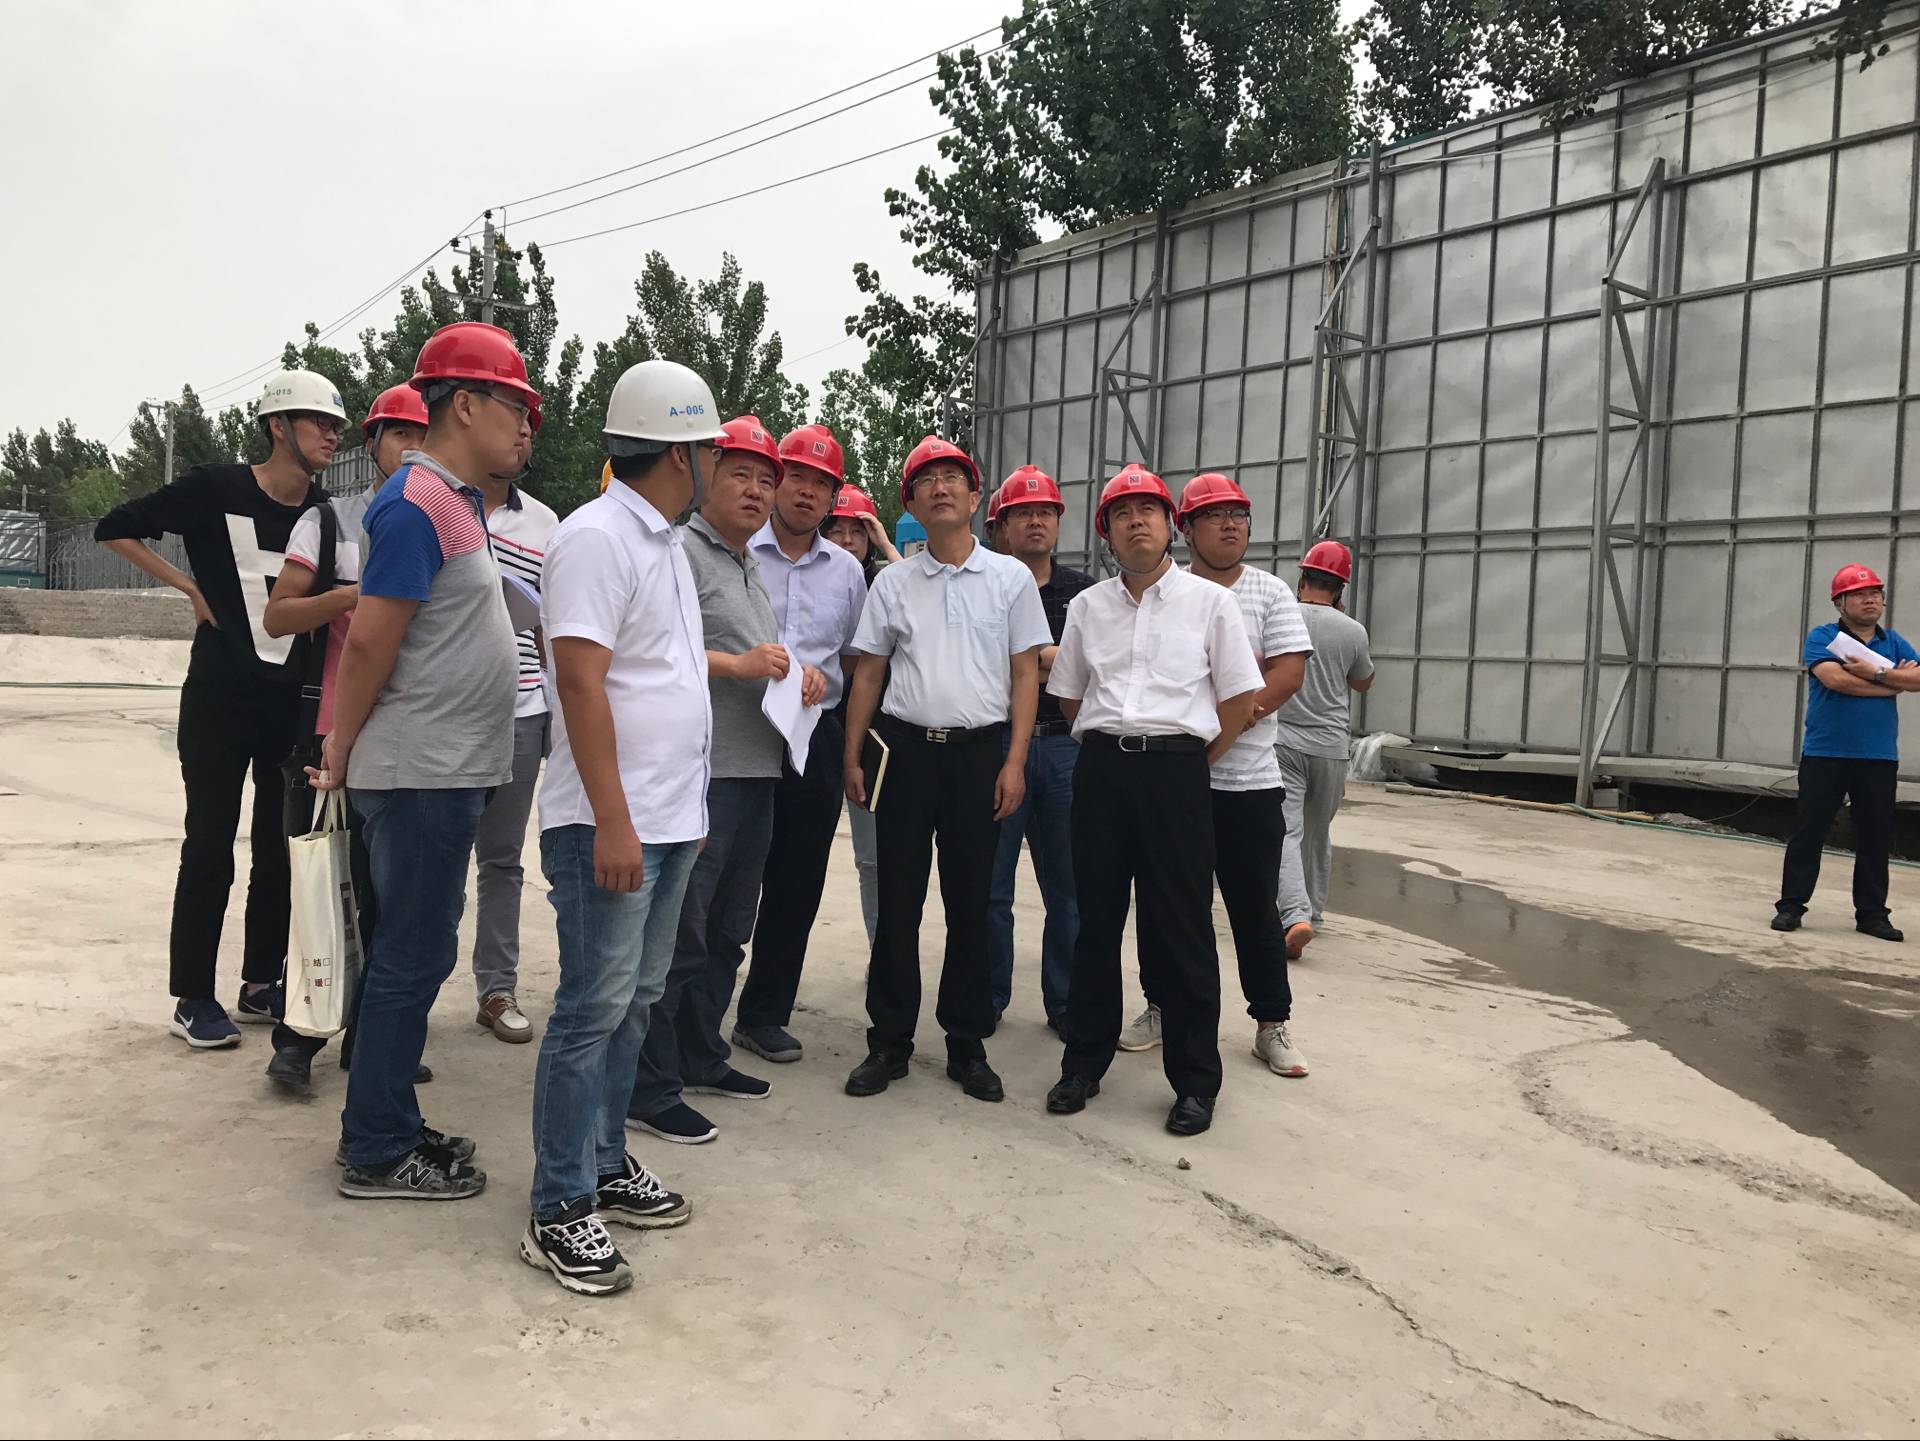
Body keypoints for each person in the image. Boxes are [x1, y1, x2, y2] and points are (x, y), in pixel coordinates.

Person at [312, 321, 535, 1202]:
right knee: (409, 956)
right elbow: (371, 641)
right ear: (466, 404)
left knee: (415, 951)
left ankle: (390, 1121)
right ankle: (375, 1145)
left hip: (445, 770)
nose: (525, 425)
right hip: (418, 773)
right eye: (514, 406)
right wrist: (339, 743)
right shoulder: (414, 502)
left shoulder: (451, 500)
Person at [521, 359, 725, 1296]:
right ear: (681, 453)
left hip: (669, 818)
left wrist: (679, 812)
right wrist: (612, 820)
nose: (716, 463)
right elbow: (579, 680)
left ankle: (604, 1160)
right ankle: (559, 1202)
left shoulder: (664, 543)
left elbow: (665, 679)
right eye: (711, 449)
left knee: (635, 998)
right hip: (612, 822)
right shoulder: (597, 538)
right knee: (590, 1008)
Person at [94, 368, 342, 1049]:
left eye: (338, 426)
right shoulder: (215, 488)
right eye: (319, 422)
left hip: (290, 703)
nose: (331, 435)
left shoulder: (325, 514)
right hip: (218, 700)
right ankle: (193, 996)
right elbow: (114, 527)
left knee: (279, 849)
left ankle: (260, 981)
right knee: (209, 842)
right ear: (278, 426)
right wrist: (189, 587)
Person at [1043, 465, 1262, 1137]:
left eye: (1149, 510)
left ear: (1171, 525)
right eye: (1121, 512)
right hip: (1103, 772)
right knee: (1094, 923)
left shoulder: (1210, 604)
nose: (1136, 520)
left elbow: (1239, 699)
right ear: (1106, 533)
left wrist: (1191, 761)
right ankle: (1083, 1063)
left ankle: (1195, 1081)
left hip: (1177, 774)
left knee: (1182, 929)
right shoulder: (1088, 608)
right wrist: (1117, 743)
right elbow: (1071, 695)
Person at [626, 417, 828, 1143]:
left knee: (727, 931)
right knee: (678, 937)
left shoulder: (746, 566)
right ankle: (648, 1086)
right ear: (705, 474)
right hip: (702, 775)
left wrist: (798, 674)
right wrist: (738, 665)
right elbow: (649, 647)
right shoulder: (679, 552)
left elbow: (751, 653)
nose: (756, 490)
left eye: (766, 479)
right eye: (740, 473)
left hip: (757, 770)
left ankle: (701, 1055)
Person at [841, 436, 1051, 1103]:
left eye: (952, 478)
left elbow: (1026, 674)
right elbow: (868, 673)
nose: (940, 488)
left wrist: (1014, 760)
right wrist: (852, 754)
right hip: (906, 755)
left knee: (971, 901)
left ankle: (967, 1041)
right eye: (925, 480)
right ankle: (889, 1040)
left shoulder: (1010, 579)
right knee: (898, 900)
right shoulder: (893, 582)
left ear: (974, 495)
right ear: (910, 502)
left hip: (979, 756)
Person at [259, 383, 429, 1093]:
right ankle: (296, 1041)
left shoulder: (446, 523)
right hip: (329, 736)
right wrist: (357, 596)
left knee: (392, 904)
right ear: (375, 442)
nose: (414, 449)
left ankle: (372, 1042)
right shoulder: (331, 524)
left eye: (425, 436)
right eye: (402, 435)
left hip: (407, 744)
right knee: (322, 892)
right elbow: (278, 616)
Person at [1157, 473, 1313, 1079]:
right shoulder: (1167, 592)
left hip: (1248, 785)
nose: (1229, 525)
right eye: (1214, 515)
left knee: (1255, 911)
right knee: (1174, 910)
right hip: (1179, 783)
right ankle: (1162, 1007)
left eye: (1238, 515)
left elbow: (1288, 672)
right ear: (1186, 529)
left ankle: (1271, 1024)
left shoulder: (1270, 593)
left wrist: (1233, 719)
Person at [731, 425, 870, 1064]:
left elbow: (853, 661)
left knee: (797, 881)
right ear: (776, 480)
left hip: (815, 734)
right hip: (740, 727)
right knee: (724, 875)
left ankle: (763, 1015)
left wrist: (823, 685)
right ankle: (691, 1012)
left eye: (822, 484)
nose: (808, 492)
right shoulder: (737, 551)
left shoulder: (847, 571)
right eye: (797, 478)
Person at [986, 466, 1094, 1031]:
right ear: (1001, 525)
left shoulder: (1086, 593)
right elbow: (985, 664)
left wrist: (1030, 659)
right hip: (998, 745)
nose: (1035, 521)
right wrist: (1050, 660)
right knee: (991, 885)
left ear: (1058, 522)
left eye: (1045, 512)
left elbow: (1093, 666)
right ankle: (987, 998)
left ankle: (1067, 1002)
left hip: (1065, 749)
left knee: (1069, 886)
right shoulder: (985, 585)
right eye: (1022, 513)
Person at [468, 436, 560, 1045]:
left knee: (501, 859)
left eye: (529, 425)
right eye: (511, 420)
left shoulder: (546, 525)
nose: (522, 435)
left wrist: (558, 708)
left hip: (522, 710)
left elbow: (550, 624)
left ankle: (495, 989)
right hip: (449, 713)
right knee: (433, 861)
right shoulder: (436, 504)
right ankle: (402, 1000)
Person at [1773, 562, 1916, 942]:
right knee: (1810, 830)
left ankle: (1872, 914)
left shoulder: (1893, 641)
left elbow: (1918, 679)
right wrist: (1893, 684)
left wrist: (1876, 673)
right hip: (1826, 752)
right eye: (1859, 594)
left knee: (1875, 835)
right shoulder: (1823, 637)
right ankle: (1791, 906)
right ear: (1839, 603)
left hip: (1878, 756)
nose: (1870, 600)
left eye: (1875, 593)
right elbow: (1836, 680)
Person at [1274, 540, 1374, 961]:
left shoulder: (1283, 617)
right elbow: (1362, 681)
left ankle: (1293, 915)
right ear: (1340, 588)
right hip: (1331, 747)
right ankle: (1312, 913)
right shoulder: (1353, 630)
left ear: (1303, 580)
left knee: (1286, 831)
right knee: (1317, 834)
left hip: (1283, 742)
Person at [817, 483, 898, 948]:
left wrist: (887, 545)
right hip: (820, 730)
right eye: (837, 531)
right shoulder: (809, 580)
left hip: (873, 743)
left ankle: (880, 953)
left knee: (874, 858)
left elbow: (924, 599)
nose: (847, 541)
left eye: (858, 531)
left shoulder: (888, 585)